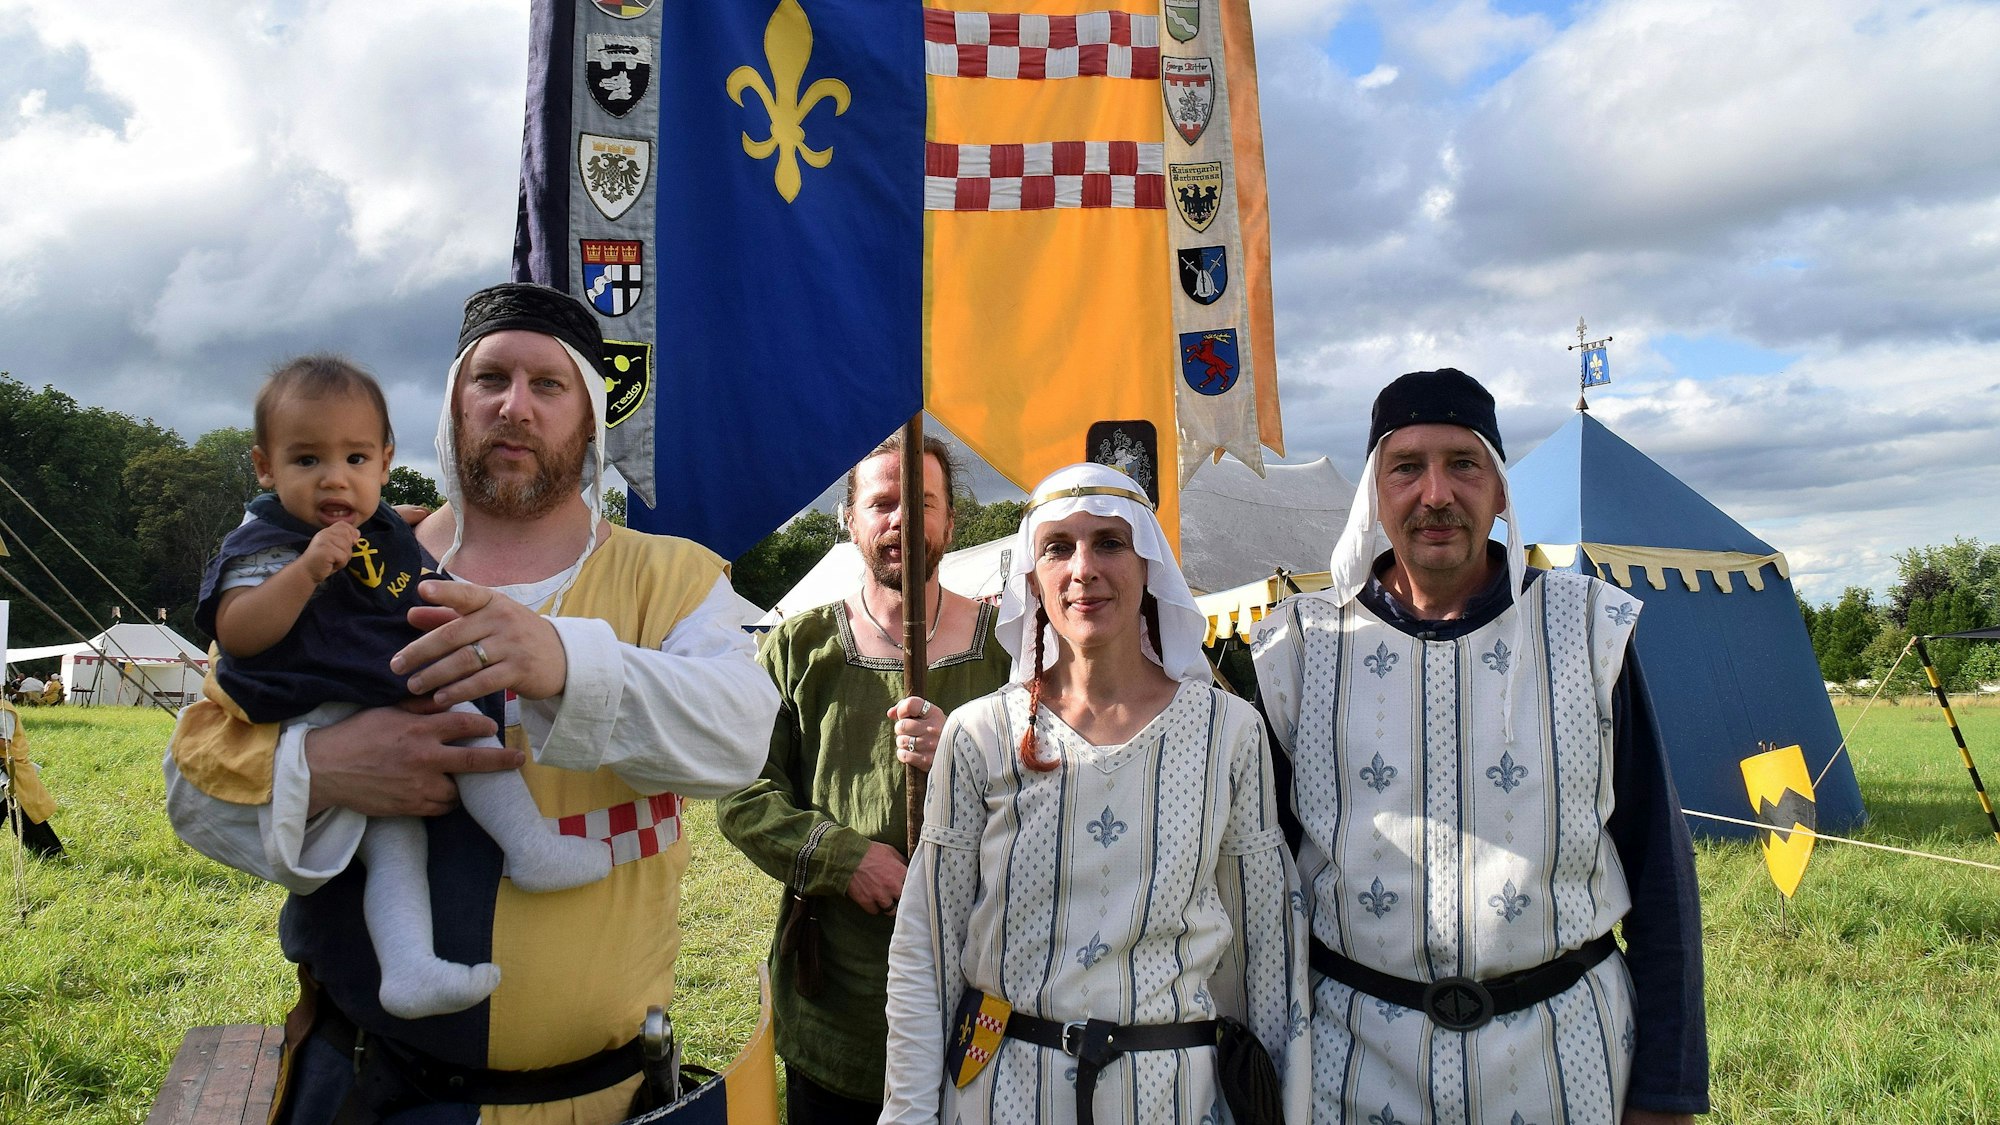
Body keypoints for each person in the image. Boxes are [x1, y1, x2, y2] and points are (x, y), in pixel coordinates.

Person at [164, 282, 779, 1125]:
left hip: (593, 1100)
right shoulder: (332, 560)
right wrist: (326, 768)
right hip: (371, 1086)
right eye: (490, 379)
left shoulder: (672, 578)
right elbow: (193, 782)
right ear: (453, 402)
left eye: (548, 385)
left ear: (591, 417)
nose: (514, 407)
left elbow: (740, 733)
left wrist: (560, 658)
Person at [1248, 369, 1708, 1124]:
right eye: (1407, 466)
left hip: (1567, 1062)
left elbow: (1660, 871)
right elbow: (1262, 898)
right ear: (1374, 492)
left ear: (1500, 490)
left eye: (1464, 463)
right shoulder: (1300, 649)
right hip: (1355, 1068)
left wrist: (1665, 1093)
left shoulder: (1588, 632)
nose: (1436, 494)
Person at [880, 462, 1310, 1125]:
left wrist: (1286, 1102)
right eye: (1058, 546)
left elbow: (1267, 946)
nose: (1083, 567)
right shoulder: (979, 735)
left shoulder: (1227, 733)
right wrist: (908, 1114)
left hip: (1172, 1096)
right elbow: (926, 948)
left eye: (1109, 541)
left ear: (1148, 565)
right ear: (1032, 578)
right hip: (1004, 1093)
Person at [194, 356, 612, 1021]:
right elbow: (238, 631)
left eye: (356, 458)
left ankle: (411, 968)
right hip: (317, 699)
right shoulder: (268, 541)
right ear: (265, 467)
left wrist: (393, 526)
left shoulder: (377, 523)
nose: (335, 477)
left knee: (399, 840)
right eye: (306, 461)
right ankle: (528, 846)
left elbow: (382, 551)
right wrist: (304, 572)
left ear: (385, 462)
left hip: (367, 689)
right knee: (463, 720)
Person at [716, 433, 1011, 1124]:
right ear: (849, 519)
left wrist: (967, 752)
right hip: (840, 997)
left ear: (951, 520)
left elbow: (1063, 783)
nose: (903, 519)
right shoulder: (800, 645)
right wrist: (845, 859)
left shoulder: (1007, 646)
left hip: (984, 983)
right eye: (883, 502)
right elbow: (740, 788)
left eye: (923, 501)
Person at [1, 698, 64, 857]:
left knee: (26, 817)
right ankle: (52, 854)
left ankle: (52, 854)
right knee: (22, 817)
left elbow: (4, 743)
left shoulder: (4, 710)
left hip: (10, 772)